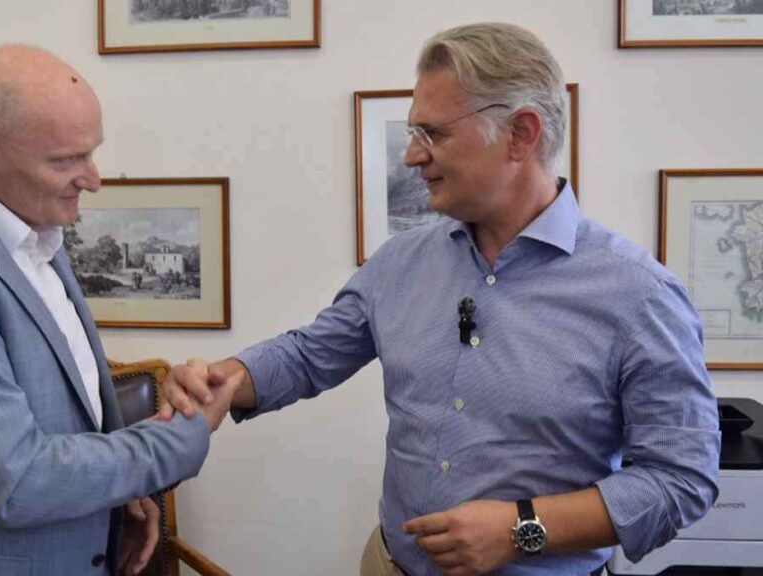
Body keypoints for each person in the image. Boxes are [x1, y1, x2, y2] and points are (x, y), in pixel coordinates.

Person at [160, 23, 720, 576]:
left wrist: (522, 528)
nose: (410, 155)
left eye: (432, 133)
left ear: (521, 134)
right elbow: (309, 354)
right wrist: (226, 378)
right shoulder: (400, 263)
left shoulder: (640, 296)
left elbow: (681, 479)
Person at [0, 45, 236, 576]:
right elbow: (16, 480)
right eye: (65, 160)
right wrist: (183, 435)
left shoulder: (37, 237)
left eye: (91, 153)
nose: (93, 179)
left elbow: (68, 418)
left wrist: (121, 500)